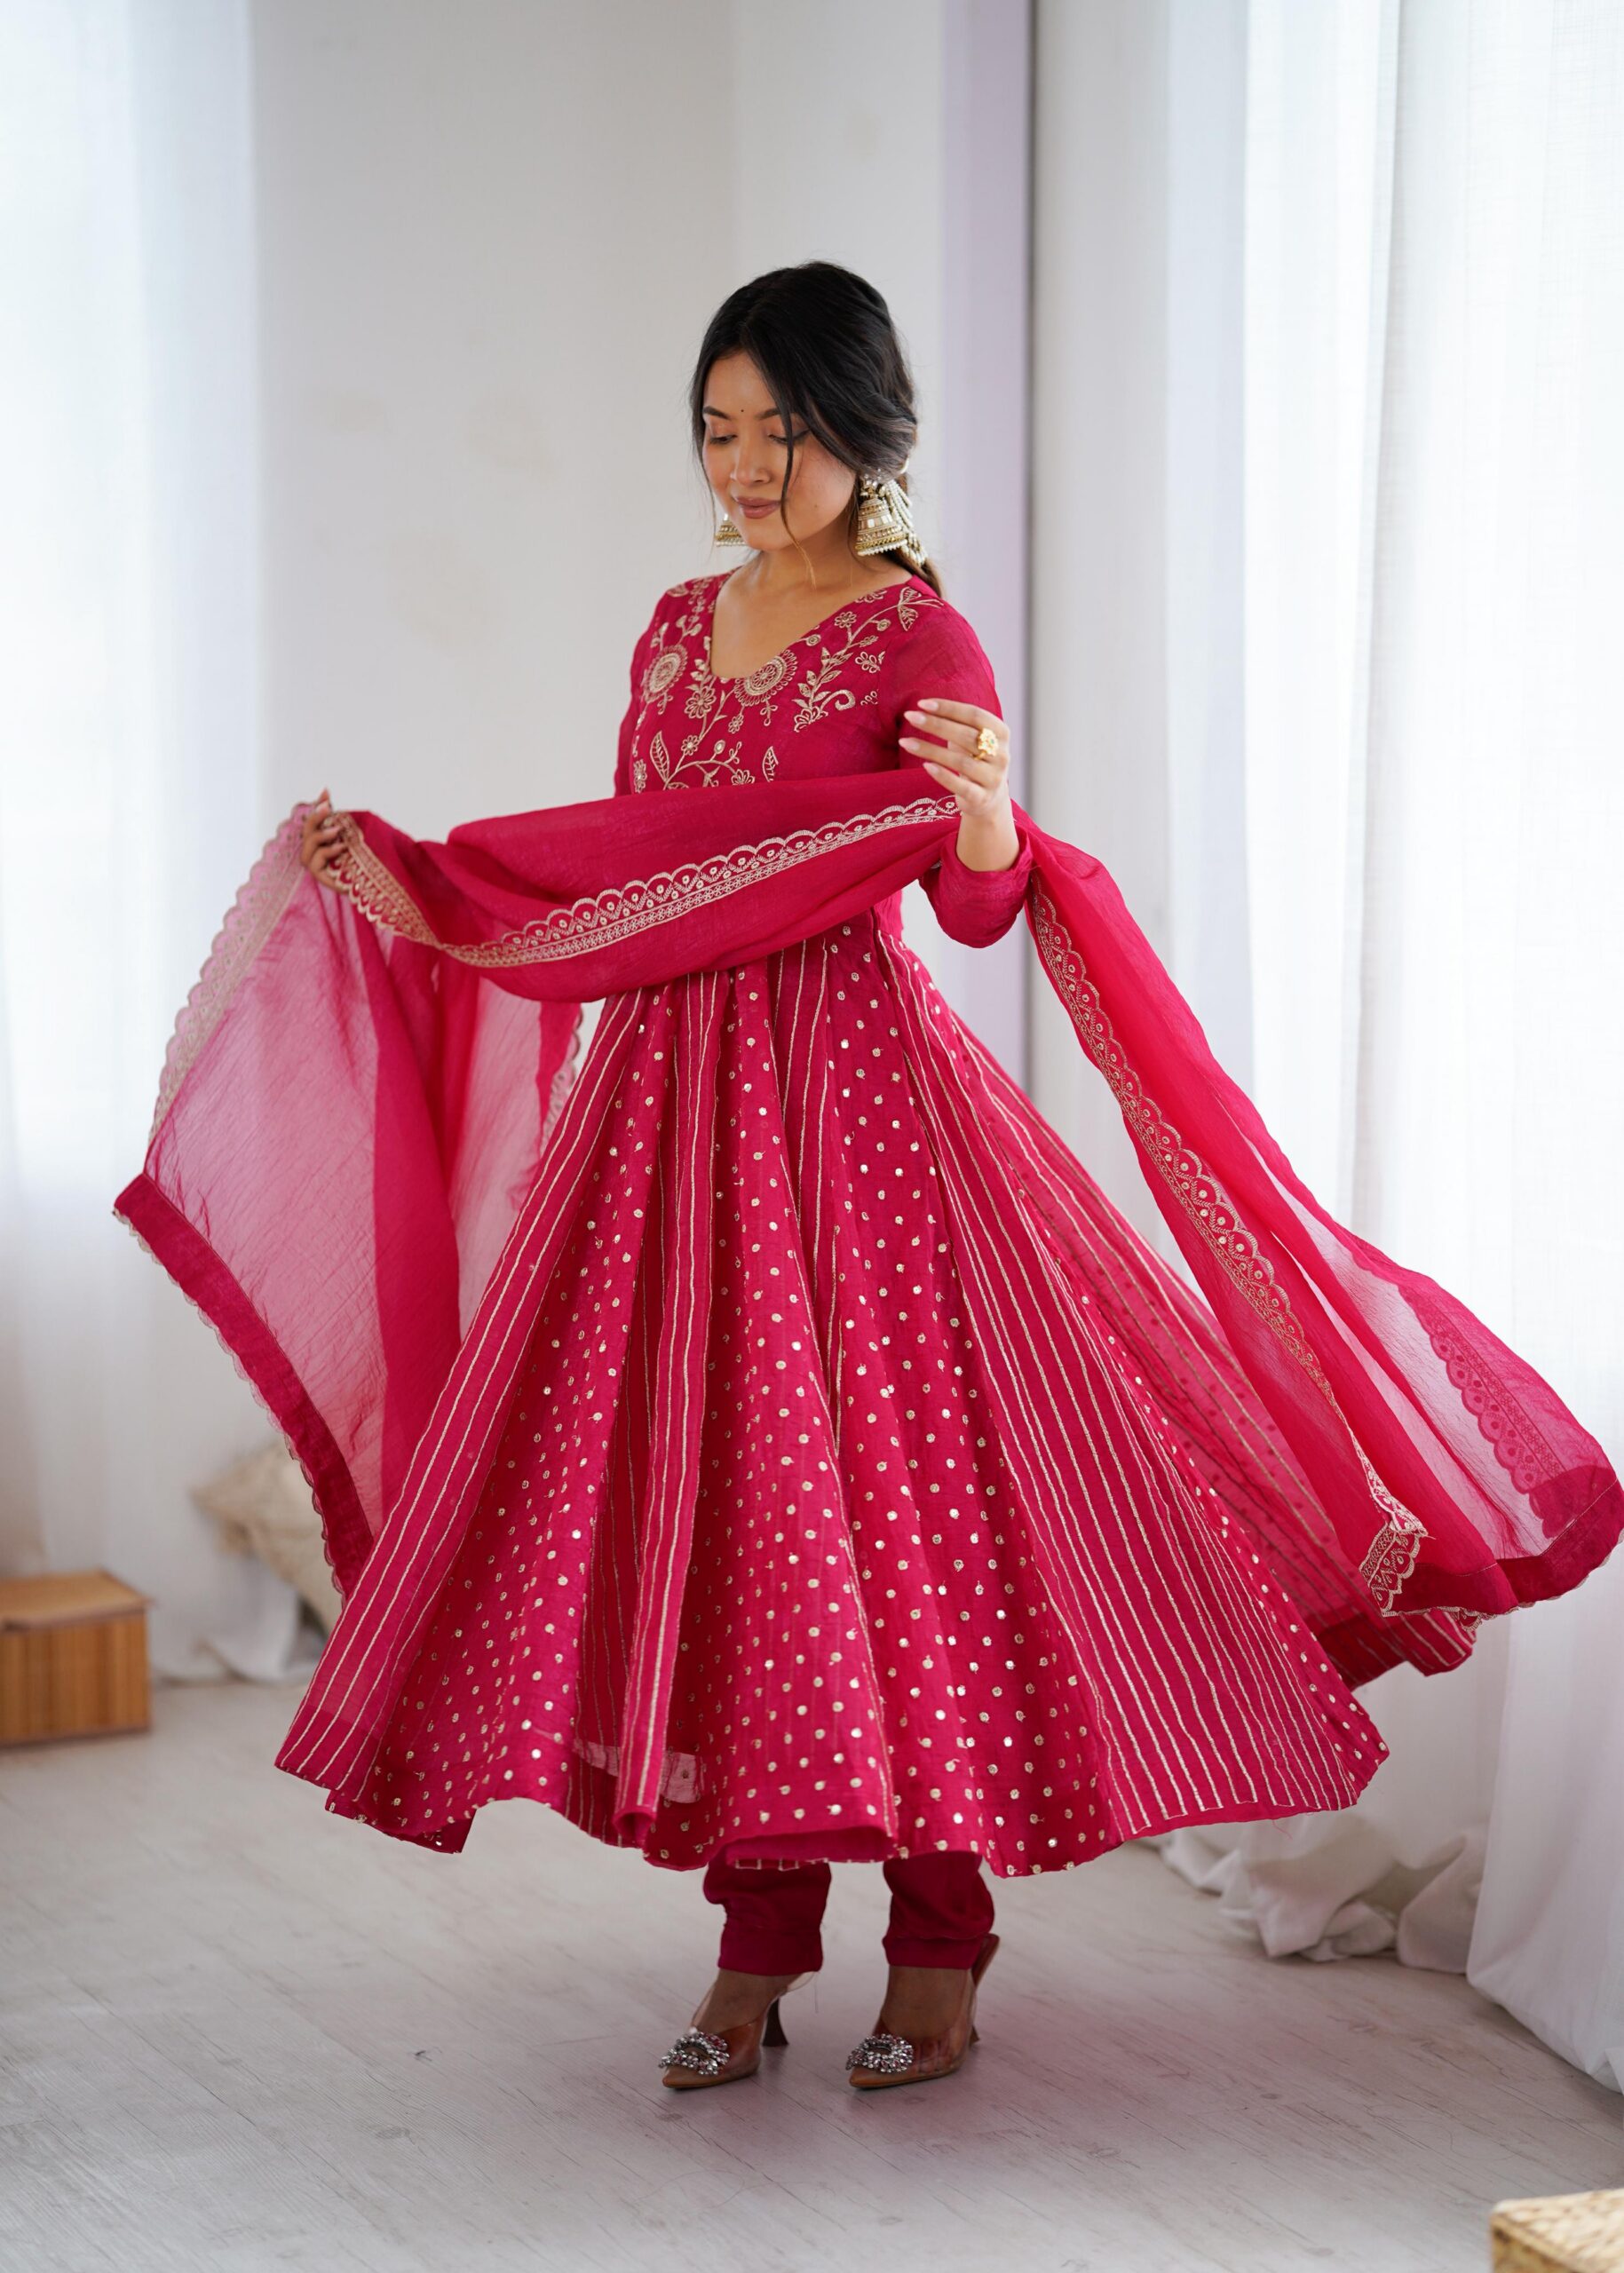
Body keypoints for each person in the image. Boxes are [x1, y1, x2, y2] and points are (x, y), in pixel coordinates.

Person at [121, 261, 1621, 2101]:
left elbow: (974, 908)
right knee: (725, 1522)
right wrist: (433, 885)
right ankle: (755, 1941)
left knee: (896, 1537)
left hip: (858, 1125)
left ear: (866, 434)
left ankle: (936, 1940)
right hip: (667, 1121)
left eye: (785, 430)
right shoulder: (675, 627)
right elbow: (635, 867)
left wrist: (985, 811)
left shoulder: (921, 641)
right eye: (719, 429)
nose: (747, 466)